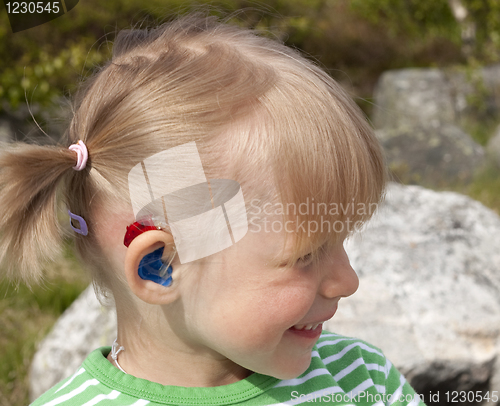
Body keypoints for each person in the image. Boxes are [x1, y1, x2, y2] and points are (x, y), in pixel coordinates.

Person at [0, 13, 426, 406]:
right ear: (159, 265)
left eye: (341, 240)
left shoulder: (360, 379)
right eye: (306, 255)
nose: (346, 281)